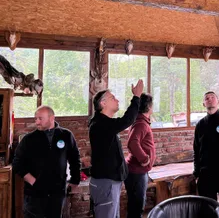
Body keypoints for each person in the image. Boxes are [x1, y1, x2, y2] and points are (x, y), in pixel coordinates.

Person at [13, 106, 81, 218]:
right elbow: (17, 163)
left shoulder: (66, 135)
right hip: (34, 194)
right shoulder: (29, 139)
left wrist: (75, 180)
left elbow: (74, 159)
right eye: (35, 119)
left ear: (51, 118)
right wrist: (34, 182)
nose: (37, 122)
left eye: (40, 118)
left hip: (57, 193)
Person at [89, 79, 144, 218]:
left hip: (110, 181)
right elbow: (127, 120)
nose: (117, 100)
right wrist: (136, 97)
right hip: (105, 182)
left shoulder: (105, 124)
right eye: (113, 97)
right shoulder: (100, 124)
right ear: (103, 103)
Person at [125, 93, 156, 218]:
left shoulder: (140, 121)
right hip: (137, 172)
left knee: (135, 206)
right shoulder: (141, 124)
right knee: (136, 207)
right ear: (148, 108)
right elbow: (132, 143)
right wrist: (144, 158)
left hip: (137, 172)